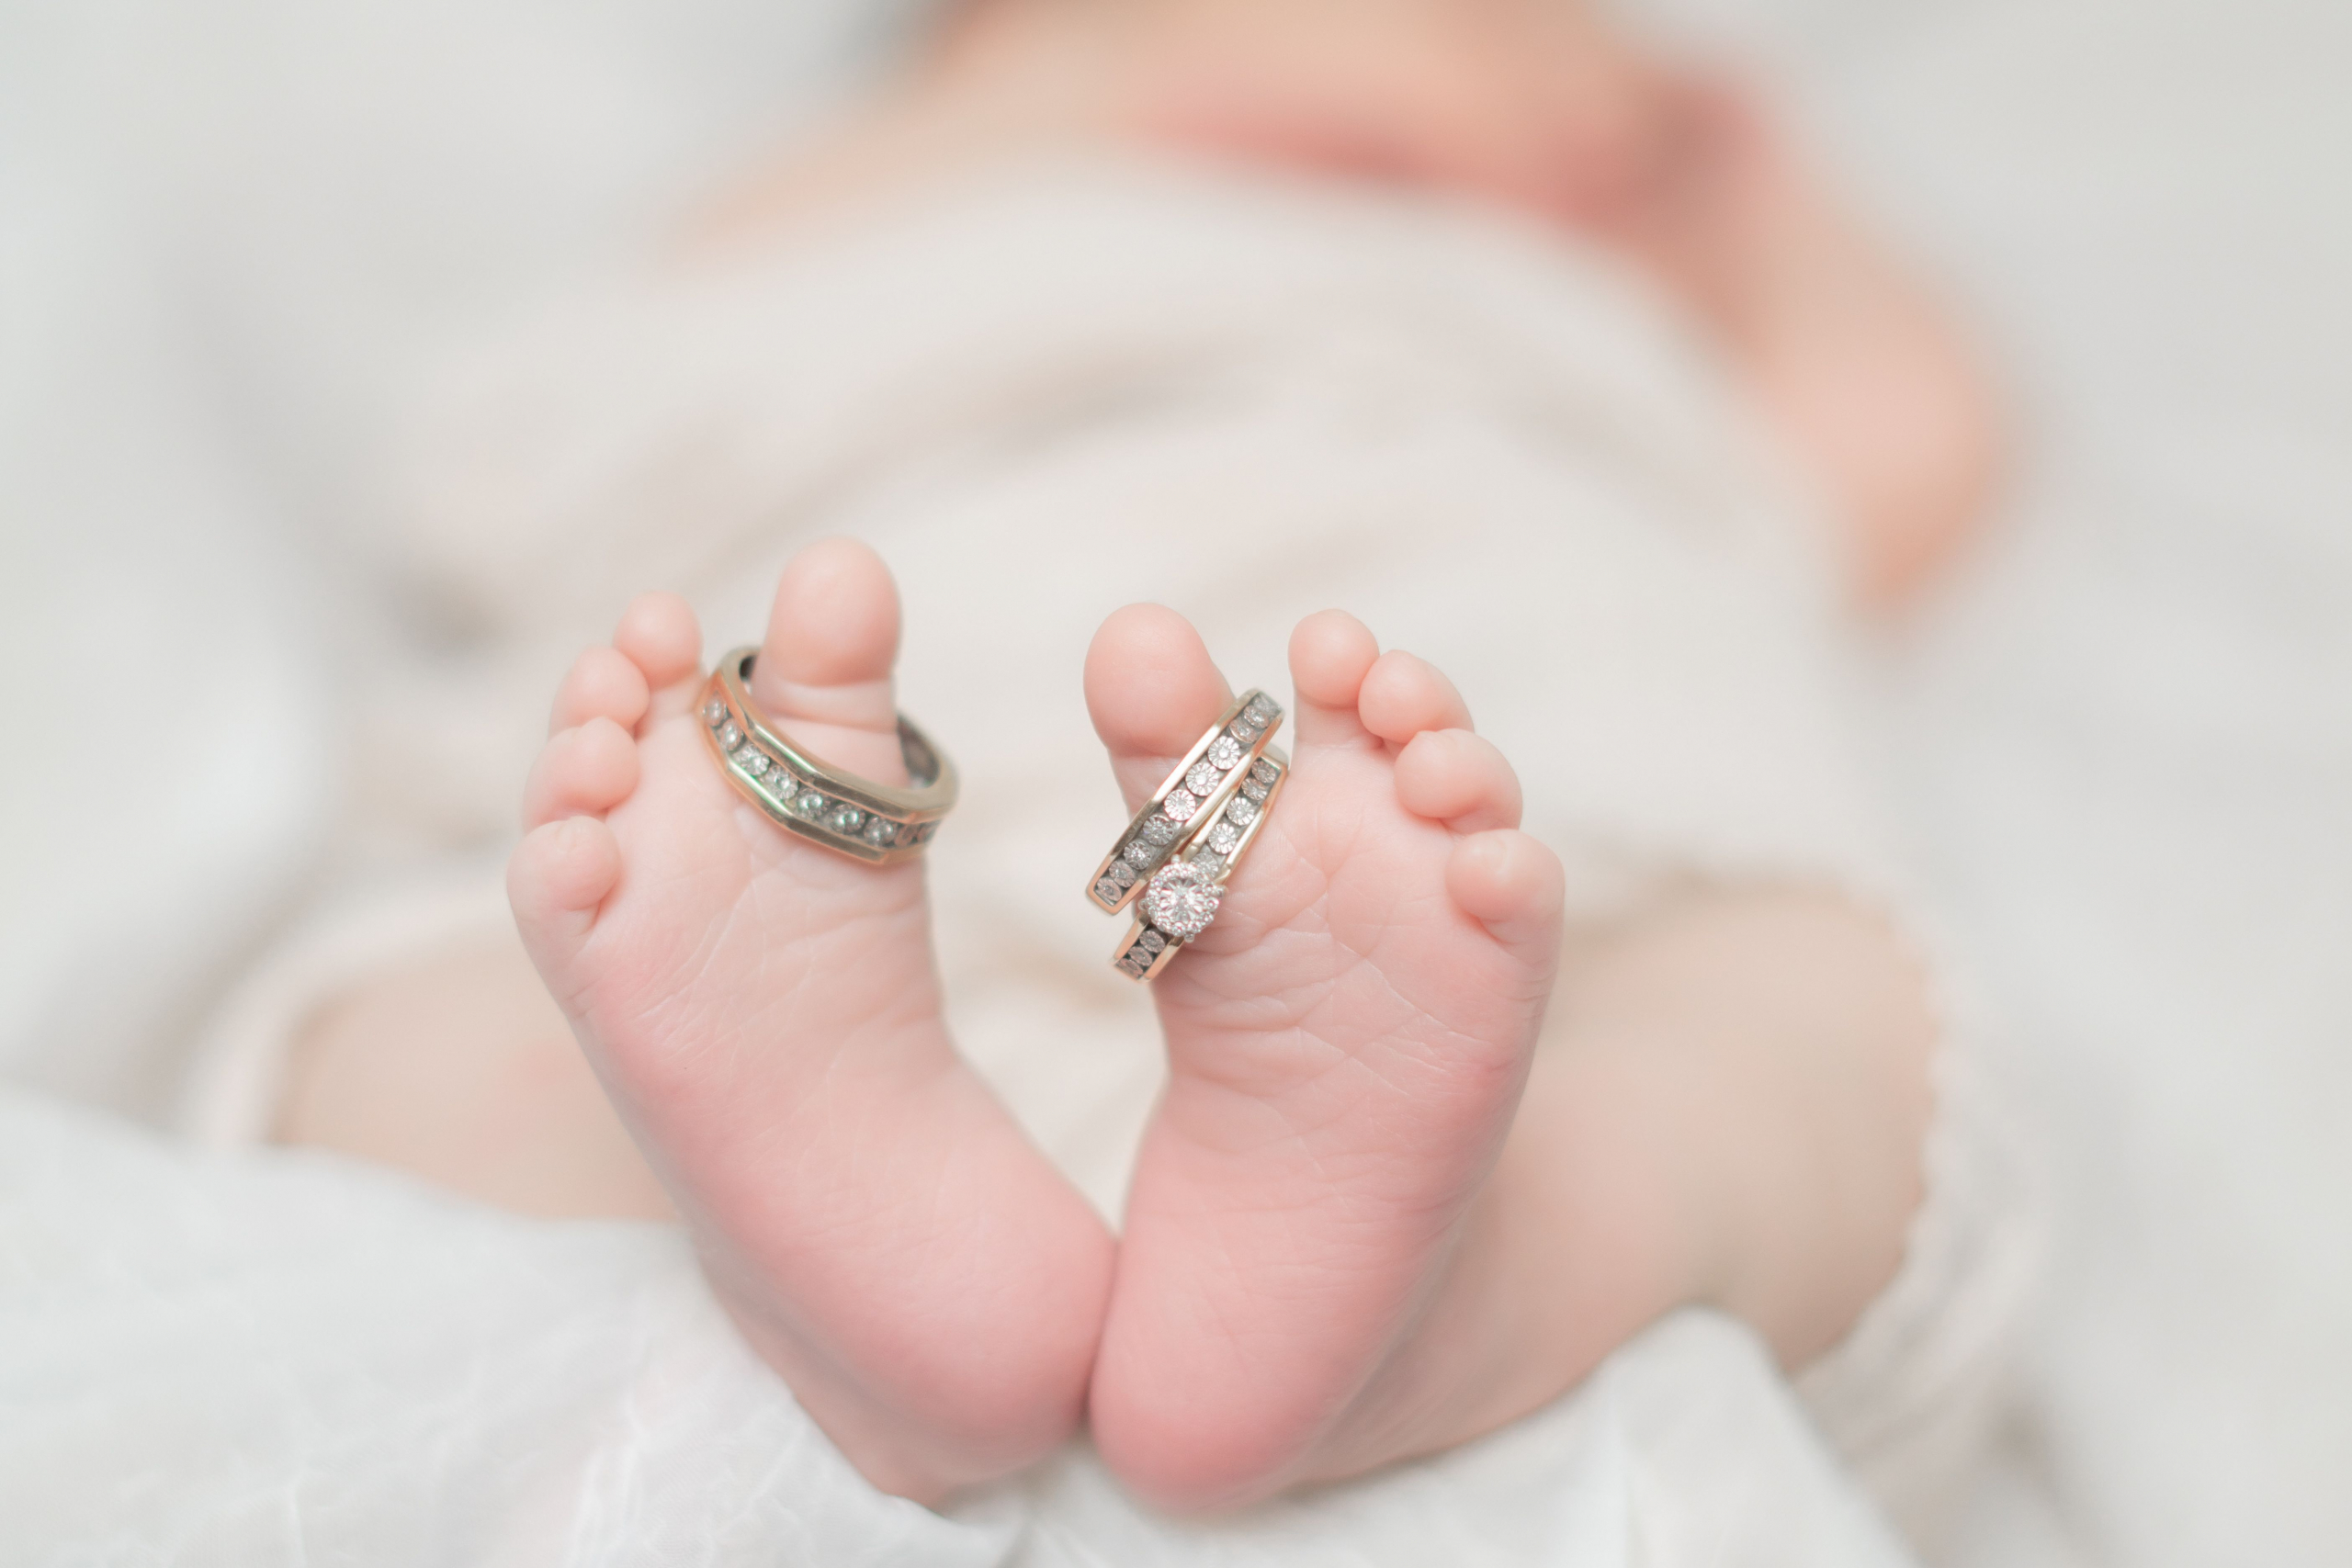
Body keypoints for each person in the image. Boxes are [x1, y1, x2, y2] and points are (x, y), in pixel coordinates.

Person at [240, 0, 2030, 1547]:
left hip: (1470, 769)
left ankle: (1479, 1261)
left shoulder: (1575, 281)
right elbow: (494, 464)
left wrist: (1733, 175)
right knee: (434, 1005)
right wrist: (1075, 95)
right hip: (872, 685)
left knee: (1799, 1004)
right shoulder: (907, 198)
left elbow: (1897, 457)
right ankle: (830, 1231)